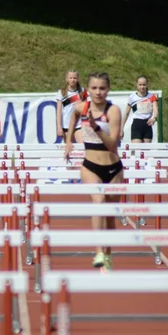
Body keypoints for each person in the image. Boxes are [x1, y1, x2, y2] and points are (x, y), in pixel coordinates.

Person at [63, 72, 124, 270]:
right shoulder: (81, 107)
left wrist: (97, 127)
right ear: (87, 90)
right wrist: (69, 141)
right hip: (90, 166)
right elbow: (72, 116)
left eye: (102, 88)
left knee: (110, 215)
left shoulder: (113, 111)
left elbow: (113, 145)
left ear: (109, 89)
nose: (98, 92)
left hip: (113, 168)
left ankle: (108, 254)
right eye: (94, 88)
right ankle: (99, 252)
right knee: (98, 202)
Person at [121, 75, 158, 143]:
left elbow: (156, 110)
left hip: (147, 125)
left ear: (147, 85)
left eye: (144, 85)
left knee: (146, 151)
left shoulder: (152, 96)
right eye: (140, 85)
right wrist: (121, 129)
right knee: (136, 150)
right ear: (137, 85)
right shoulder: (132, 97)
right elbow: (126, 114)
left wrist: (154, 118)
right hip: (136, 125)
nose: (142, 87)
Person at [55, 70, 86, 144]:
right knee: (69, 149)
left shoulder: (82, 91)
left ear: (78, 79)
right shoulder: (62, 92)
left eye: (75, 78)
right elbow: (59, 111)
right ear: (67, 79)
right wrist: (59, 126)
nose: (73, 80)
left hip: (78, 125)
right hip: (66, 125)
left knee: (82, 146)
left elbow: (85, 109)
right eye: (71, 78)